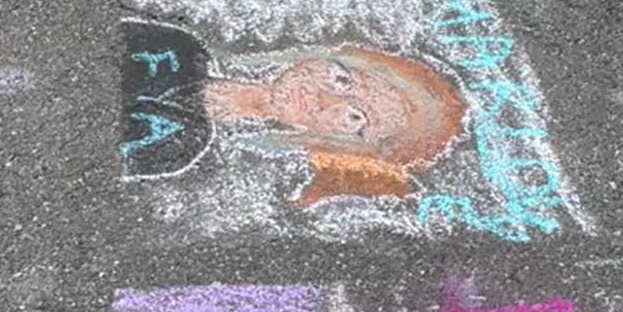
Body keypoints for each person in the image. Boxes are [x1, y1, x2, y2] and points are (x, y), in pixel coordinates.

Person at [121, 19, 468, 206]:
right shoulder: (175, 50)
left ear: (342, 145)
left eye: (355, 116)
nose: (325, 98)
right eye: (342, 79)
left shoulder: (180, 146)